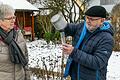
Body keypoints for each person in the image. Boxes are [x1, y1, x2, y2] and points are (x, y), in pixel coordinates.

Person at [51, 6, 114, 80]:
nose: (88, 21)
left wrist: (73, 52)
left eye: (92, 19)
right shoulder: (83, 26)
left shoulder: (106, 39)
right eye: (87, 17)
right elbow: (70, 29)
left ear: (102, 20)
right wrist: (62, 24)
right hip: (75, 75)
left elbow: (97, 62)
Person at [0, 4, 30, 80]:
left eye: (14, 17)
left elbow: (25, 60)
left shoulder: (18, 35)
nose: (13, 20)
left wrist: (27, 77)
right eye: (10, 18)